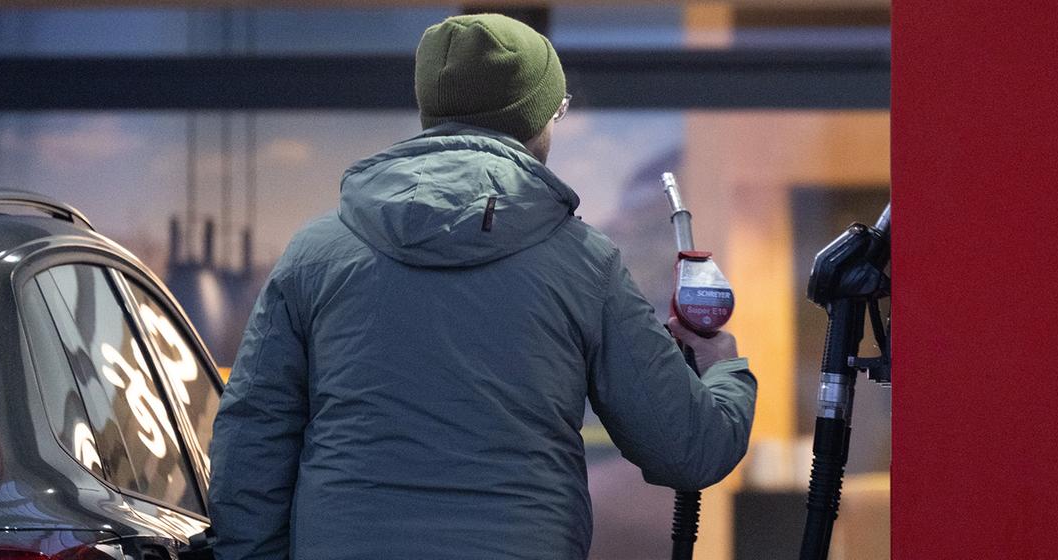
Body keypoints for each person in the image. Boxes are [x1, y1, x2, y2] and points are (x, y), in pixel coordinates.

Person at [208, 13, 757, 560]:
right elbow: (688, 449)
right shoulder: (585, 265)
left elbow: (251, 445)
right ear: (538, 119)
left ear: (429, 110)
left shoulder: (315, 254)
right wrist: (722, 366)